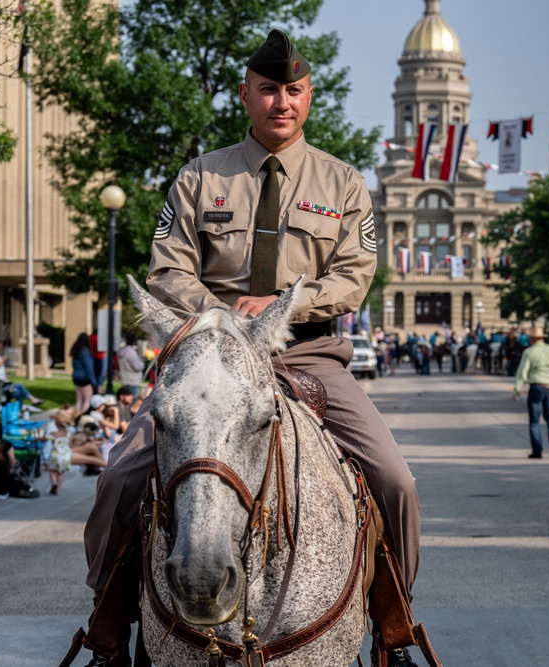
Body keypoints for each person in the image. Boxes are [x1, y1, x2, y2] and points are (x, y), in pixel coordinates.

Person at [81, 30, 422, 667]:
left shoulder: (344, 183)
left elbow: (354, 275)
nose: (281, 101)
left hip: (306, 356)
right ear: (247, 95)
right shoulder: (198, 177)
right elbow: (166, 271)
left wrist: (284, 305)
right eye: (268, 89)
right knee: (120, 479)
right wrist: (220, 315)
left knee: (394, 481)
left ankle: (393, 625)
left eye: (293, 90)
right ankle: (109, 626)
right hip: (211, 357)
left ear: (308, 96)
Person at [512, 326, 549, 458]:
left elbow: (522, 372)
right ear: (542, 338)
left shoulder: (529, 352)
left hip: (537, 387)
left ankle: (537, 450)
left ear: (532, 339)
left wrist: (517, 389)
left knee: (535, 420)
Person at [70, 333, 99, 414]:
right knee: (87, 400)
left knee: (79, 399)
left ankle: (75, 417)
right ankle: (81, 417)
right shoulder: (85, 351)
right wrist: (94, 382)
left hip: (76, 376)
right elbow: (89, 367)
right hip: (84, 377)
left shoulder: (76, 350)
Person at [115, 333, 144, 398]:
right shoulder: (131, 352)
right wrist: (142, 364)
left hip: (125, 378)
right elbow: (137, 367)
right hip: (132, 379)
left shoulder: (121, 351)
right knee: (132, 401)